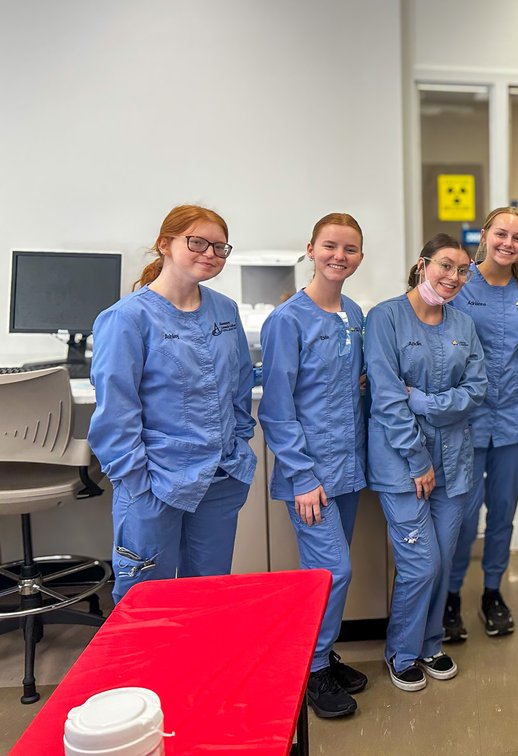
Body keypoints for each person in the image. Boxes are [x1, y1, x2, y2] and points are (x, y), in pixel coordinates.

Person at [89, 204, 255, 603]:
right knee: (146, 602)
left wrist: (239, 445)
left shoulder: (225, 310)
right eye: (196, 242)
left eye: (219, 247)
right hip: (154, 482)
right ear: (165, 244)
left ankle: (202, 667)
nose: (209, 254)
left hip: (219, 477)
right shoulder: (127, 319)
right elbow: (116, 413)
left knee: (208, 595)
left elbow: (240, 385)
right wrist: (137, 484)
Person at [259, 213, 369, 719]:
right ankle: (312, 669)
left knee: (327, 573)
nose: (338, 257)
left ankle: (323, 654)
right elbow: (276, 408)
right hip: (312, 474)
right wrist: (303, 476)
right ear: (311, 249)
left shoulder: (353, 315)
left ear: (360, 258)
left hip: (349, 467)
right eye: (330, 246)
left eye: (349, 249)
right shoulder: (288, 320)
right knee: (332, 571)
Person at [366, 233, 486, 692]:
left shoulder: (463, 324)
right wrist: (418, 461)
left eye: (462, 270)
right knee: (422, 563)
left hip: (454, 463)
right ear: (422, 265)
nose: (453, 277)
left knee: (445, 557)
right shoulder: (385, 318)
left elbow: (476, 392)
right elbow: (388, 399)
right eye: (445, 266)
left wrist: (425, 401)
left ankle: (431, 642)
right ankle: (401, 651)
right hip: (402, 464)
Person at [444, 206, 518, 641]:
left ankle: (491, 591)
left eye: (517, 238)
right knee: (463, 514)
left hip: (511, 418)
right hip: (465, 419)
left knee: (503, 510)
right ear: (484, 235)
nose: (508, 243)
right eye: (500, 234)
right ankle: (449, 595)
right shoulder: (460, 285)